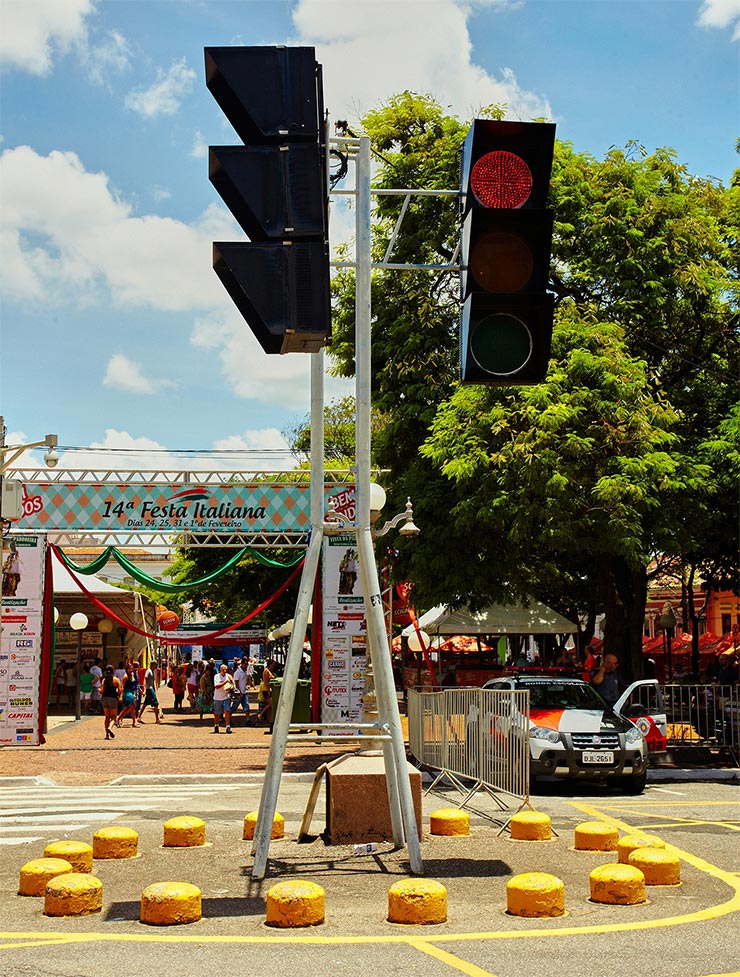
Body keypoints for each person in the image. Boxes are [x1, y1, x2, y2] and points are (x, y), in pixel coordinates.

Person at [100, 666, 122, 740]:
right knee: (113, 717)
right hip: (113, 699)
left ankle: (106, 735)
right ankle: (110, 727)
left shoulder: (104, 680)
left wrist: (99, 690)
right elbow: (119, 691)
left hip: (104, 699)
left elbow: (102, 691)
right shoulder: (116, 680)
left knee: (107, 717)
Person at [212, 662, 234, 733]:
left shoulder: (229, 676)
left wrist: (231, 687)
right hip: (218, 697)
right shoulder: (216, 676)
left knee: (227, 711)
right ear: (220, 670)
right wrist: (225, 682)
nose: (224, 671)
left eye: (225, 669)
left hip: (226, 697)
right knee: (217, 714)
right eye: (223, 669)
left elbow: (232, 684)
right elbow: (217, 686)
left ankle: (228, 727)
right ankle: (216, 725)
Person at [256, 659, 275, 727]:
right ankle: (260, 715)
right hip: (265, 689)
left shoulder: (268, 670)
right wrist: (269, 691)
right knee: (270, 704)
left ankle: (269, 719)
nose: (274, 666)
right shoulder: (266, 671)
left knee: (269, 705)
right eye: (273, 664)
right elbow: (266, 682)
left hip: (266, 688)